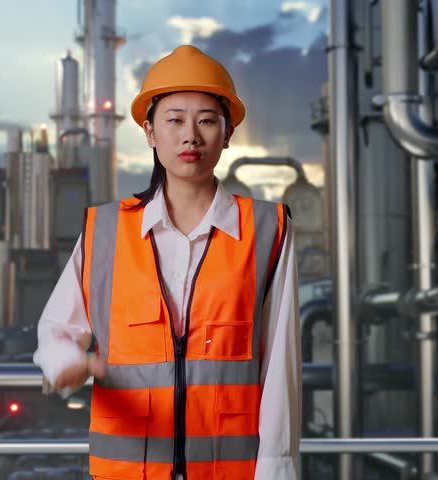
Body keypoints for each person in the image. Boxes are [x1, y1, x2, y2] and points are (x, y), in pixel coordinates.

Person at [33, 45, 301, 479]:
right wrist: (64, 363)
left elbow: (280, 369)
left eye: (207, 120)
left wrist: (277, 473)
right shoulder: (105, 231)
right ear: (150, 131)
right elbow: (57, 328)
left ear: (228, 134)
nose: (190, 136)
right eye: (174, 120)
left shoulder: (267, 230)